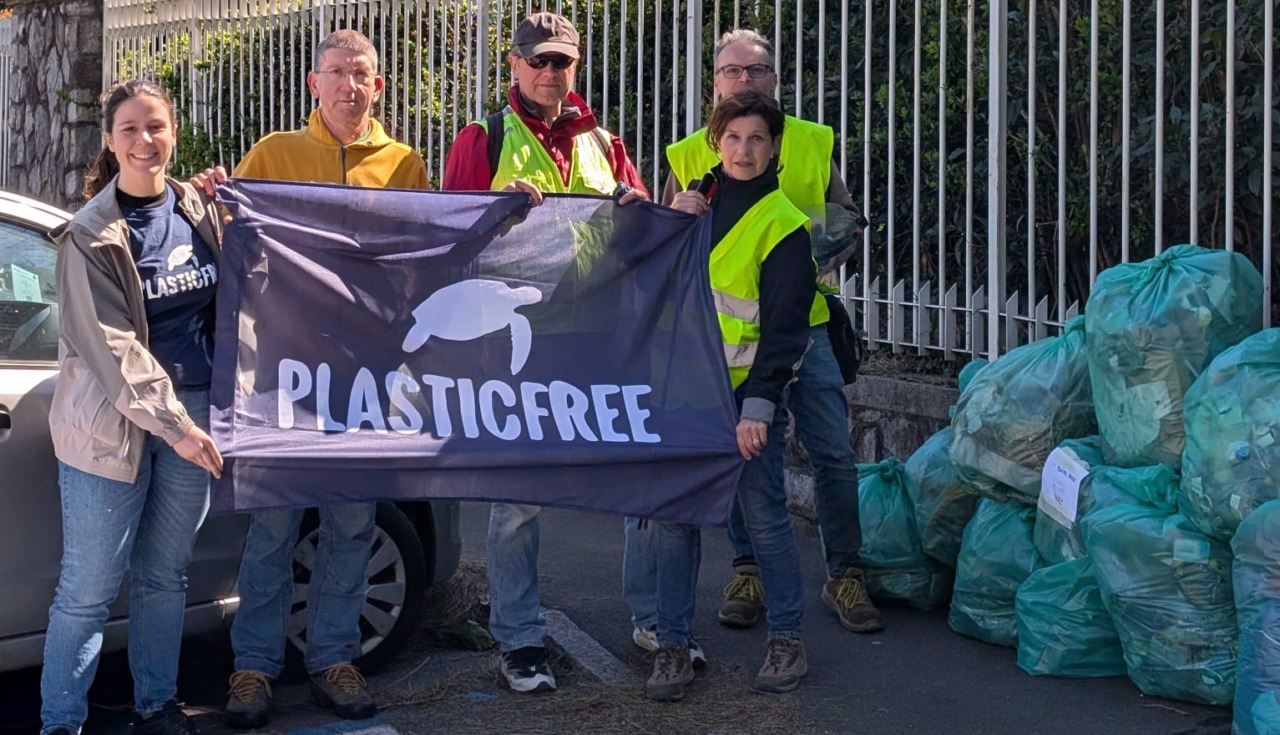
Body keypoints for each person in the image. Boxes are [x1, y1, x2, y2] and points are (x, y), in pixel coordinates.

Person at [198, 29, 429, 729]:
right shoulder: (273, 154)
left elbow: (427, 255)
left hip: (364, 377)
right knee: (272, 526)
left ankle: (333, 658)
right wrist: (210, 198)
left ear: (378, 86)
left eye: (361, 74)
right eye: (336, 73)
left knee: (352, 525)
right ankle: (254, 667)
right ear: (314, 83)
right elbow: (231, 239)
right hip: (283, 372)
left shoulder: (405, 164)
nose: (349, 86)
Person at [623, 28, 881, 647]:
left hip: (802, 326)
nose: (745, 80)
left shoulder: (811, 141)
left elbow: (847, 217)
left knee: (833, 452)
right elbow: (666, 243)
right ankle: (747, 574)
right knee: (746, 461)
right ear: (714, 83)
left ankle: (845, 574)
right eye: (733, 71)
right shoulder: (688, 154)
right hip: (722, 345)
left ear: (775, 79)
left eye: (757, 70)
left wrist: (797, 260)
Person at [442, 11, 648, 693]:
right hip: (516, 347)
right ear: (514, 64)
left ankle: (657, 624)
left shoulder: (605, 143)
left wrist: (639, 205)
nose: (550, 72)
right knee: (519, 499)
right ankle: (520, 638)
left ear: (575, 67)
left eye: (562, 61)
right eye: (538, 60)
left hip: (599, 338)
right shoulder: (482, 139)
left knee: (638, 480)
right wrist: (494, 208)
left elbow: (643, 225)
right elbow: (448, 236)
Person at [41, 79, 225, 735]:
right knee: (87, 589)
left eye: (156, 127)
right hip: (112, 424)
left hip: (194, 411)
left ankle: (157, 706)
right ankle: (60, 721)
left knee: (164, 576)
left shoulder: (197, 208)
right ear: (110, 141)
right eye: (130, 129)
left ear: (173, 132)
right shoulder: (90, 233)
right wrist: (177, 427)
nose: (145, 140)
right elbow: (111, 345)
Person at [646, 90, 816, 702]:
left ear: (774, 147)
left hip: (743, 402)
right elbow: (649, 285)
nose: (744, 151)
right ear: (716, 143)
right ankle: (671, 646)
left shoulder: (783, 226)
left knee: (765, 521)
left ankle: (787, 639)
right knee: (675, 523)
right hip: (683, 394)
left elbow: (785, 333)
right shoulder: (693, 206)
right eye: (733, 138)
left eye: (757, 139)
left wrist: (758, 409)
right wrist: (669, 223)